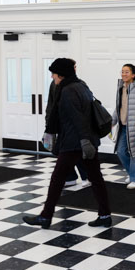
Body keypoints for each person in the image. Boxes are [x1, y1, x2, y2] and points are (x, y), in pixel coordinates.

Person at [24, 58, 112, 229]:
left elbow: (78, 119)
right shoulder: (81, 85)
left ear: (61, 74)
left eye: (54, 74)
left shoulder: (68, 91)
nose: (52, 77)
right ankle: (105, 215)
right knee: (96, 178)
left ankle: (45, 216)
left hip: (75, 142)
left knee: (57, 179)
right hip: (86, 140)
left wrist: (84, 141)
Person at [42, 58, 88, 190]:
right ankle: (70, 178)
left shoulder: (78, 85)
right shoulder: (54, 84)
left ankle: (85, 176)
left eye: (75, 66)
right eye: (73, 66)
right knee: (64, 152)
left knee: (73, 152)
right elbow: (51, 104)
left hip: (73, 127)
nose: (75, 69)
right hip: (61, 126)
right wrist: (49, 123)